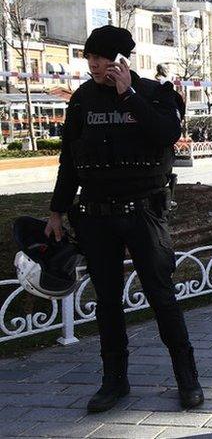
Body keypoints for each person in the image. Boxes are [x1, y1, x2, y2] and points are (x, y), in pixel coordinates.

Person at [45, 26, 204, 413]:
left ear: (120, 59)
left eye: (100, 57)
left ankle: (187, 379)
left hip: (144, 213)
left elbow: (167, 133)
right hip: (96, 216)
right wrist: (57, 209)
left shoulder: (155, 94)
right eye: (90, 58)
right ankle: (114, 381)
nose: (94, 65)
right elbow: (70, 158)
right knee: (108, 303)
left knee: (162, 296)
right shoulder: (82, 100)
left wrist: (128, 96)